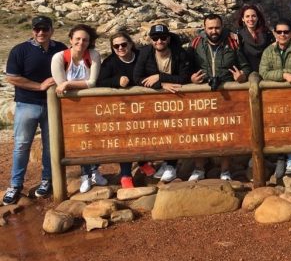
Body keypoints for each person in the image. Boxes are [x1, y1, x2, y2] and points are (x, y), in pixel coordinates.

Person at [2, 16, 67, 205]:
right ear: (32, 30)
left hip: (53, 105)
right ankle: (15, 185)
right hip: (27, 104)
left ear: (52, 30)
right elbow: (12, 77)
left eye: (45, 29)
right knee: (22, 145)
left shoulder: (60, 49)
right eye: (37, 29)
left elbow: (71, 69)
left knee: (50, 145)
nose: (41, 33)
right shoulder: (20, 50)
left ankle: (47, 180)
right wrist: (39, 86)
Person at [189, 14, 252, 181]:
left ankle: (225, 170)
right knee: (200, 131)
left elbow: (245, 66)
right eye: (210, 28)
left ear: (222, 27)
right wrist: (191, 78)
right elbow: (187, 67)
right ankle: (199, 168)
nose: (214, 31)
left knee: (225, 132)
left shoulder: (232, 43)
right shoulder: (196, 44)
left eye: (217, 27)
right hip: (202, 95)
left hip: (226, 95)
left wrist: (242, 76)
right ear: (204, 28)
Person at [133, 24, 193, 182]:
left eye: (163, 37)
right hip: (153, 101)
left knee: (173, 130)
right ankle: (163, 162)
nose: (159, 41)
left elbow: (184, 77)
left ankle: (171, 165)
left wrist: (160, 77)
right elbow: (137, 77)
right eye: (155, 38)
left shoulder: (179, 53)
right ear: (151, 40)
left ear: (169, 38)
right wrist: (161, 85)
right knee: (156, 131)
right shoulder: (145, 53)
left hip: (175, 99)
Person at [51, 24, 105, 193]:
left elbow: (92, 82)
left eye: (85, 40)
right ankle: (84, 175)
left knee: (95, 138)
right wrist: (67, 84)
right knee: (80, 141)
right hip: (71, 108)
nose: (81, 43)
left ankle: (95, 171)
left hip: (91, 106)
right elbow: (60, 85)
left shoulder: (93, 55)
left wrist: (69, 83)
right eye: (78, 39)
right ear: (71, 40)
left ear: (90, 42)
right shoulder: (59, 57)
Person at [97, 31, 155, 188]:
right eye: (116, 46)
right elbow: (100, 81)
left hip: (143, 104)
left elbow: (151, 71)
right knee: (125, 139)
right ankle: (125, 174)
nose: (120, 48)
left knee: (144, 134)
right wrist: (117, 81)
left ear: (130, 44)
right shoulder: (110, 62)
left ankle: (142, 162)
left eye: (123, 44)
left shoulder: (141, 56)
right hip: (122, 107)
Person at [259, 18, 291, 177]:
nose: (282, 34)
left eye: (286, 32)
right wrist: (284, 75)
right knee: (277, 126)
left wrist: (289, 74)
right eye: (279, 32)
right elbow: (263, 72)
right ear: (274, 33)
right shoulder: (268, 51)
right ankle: (281, 157)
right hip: (274, 98)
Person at [236, 4, 275, 73]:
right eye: (247, 16)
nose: (250, 19)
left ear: (258, 18)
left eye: (253, 16)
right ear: (243, 19)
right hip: (248, 73)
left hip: (267, 71)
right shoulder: (239, 36)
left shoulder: (267, 34)